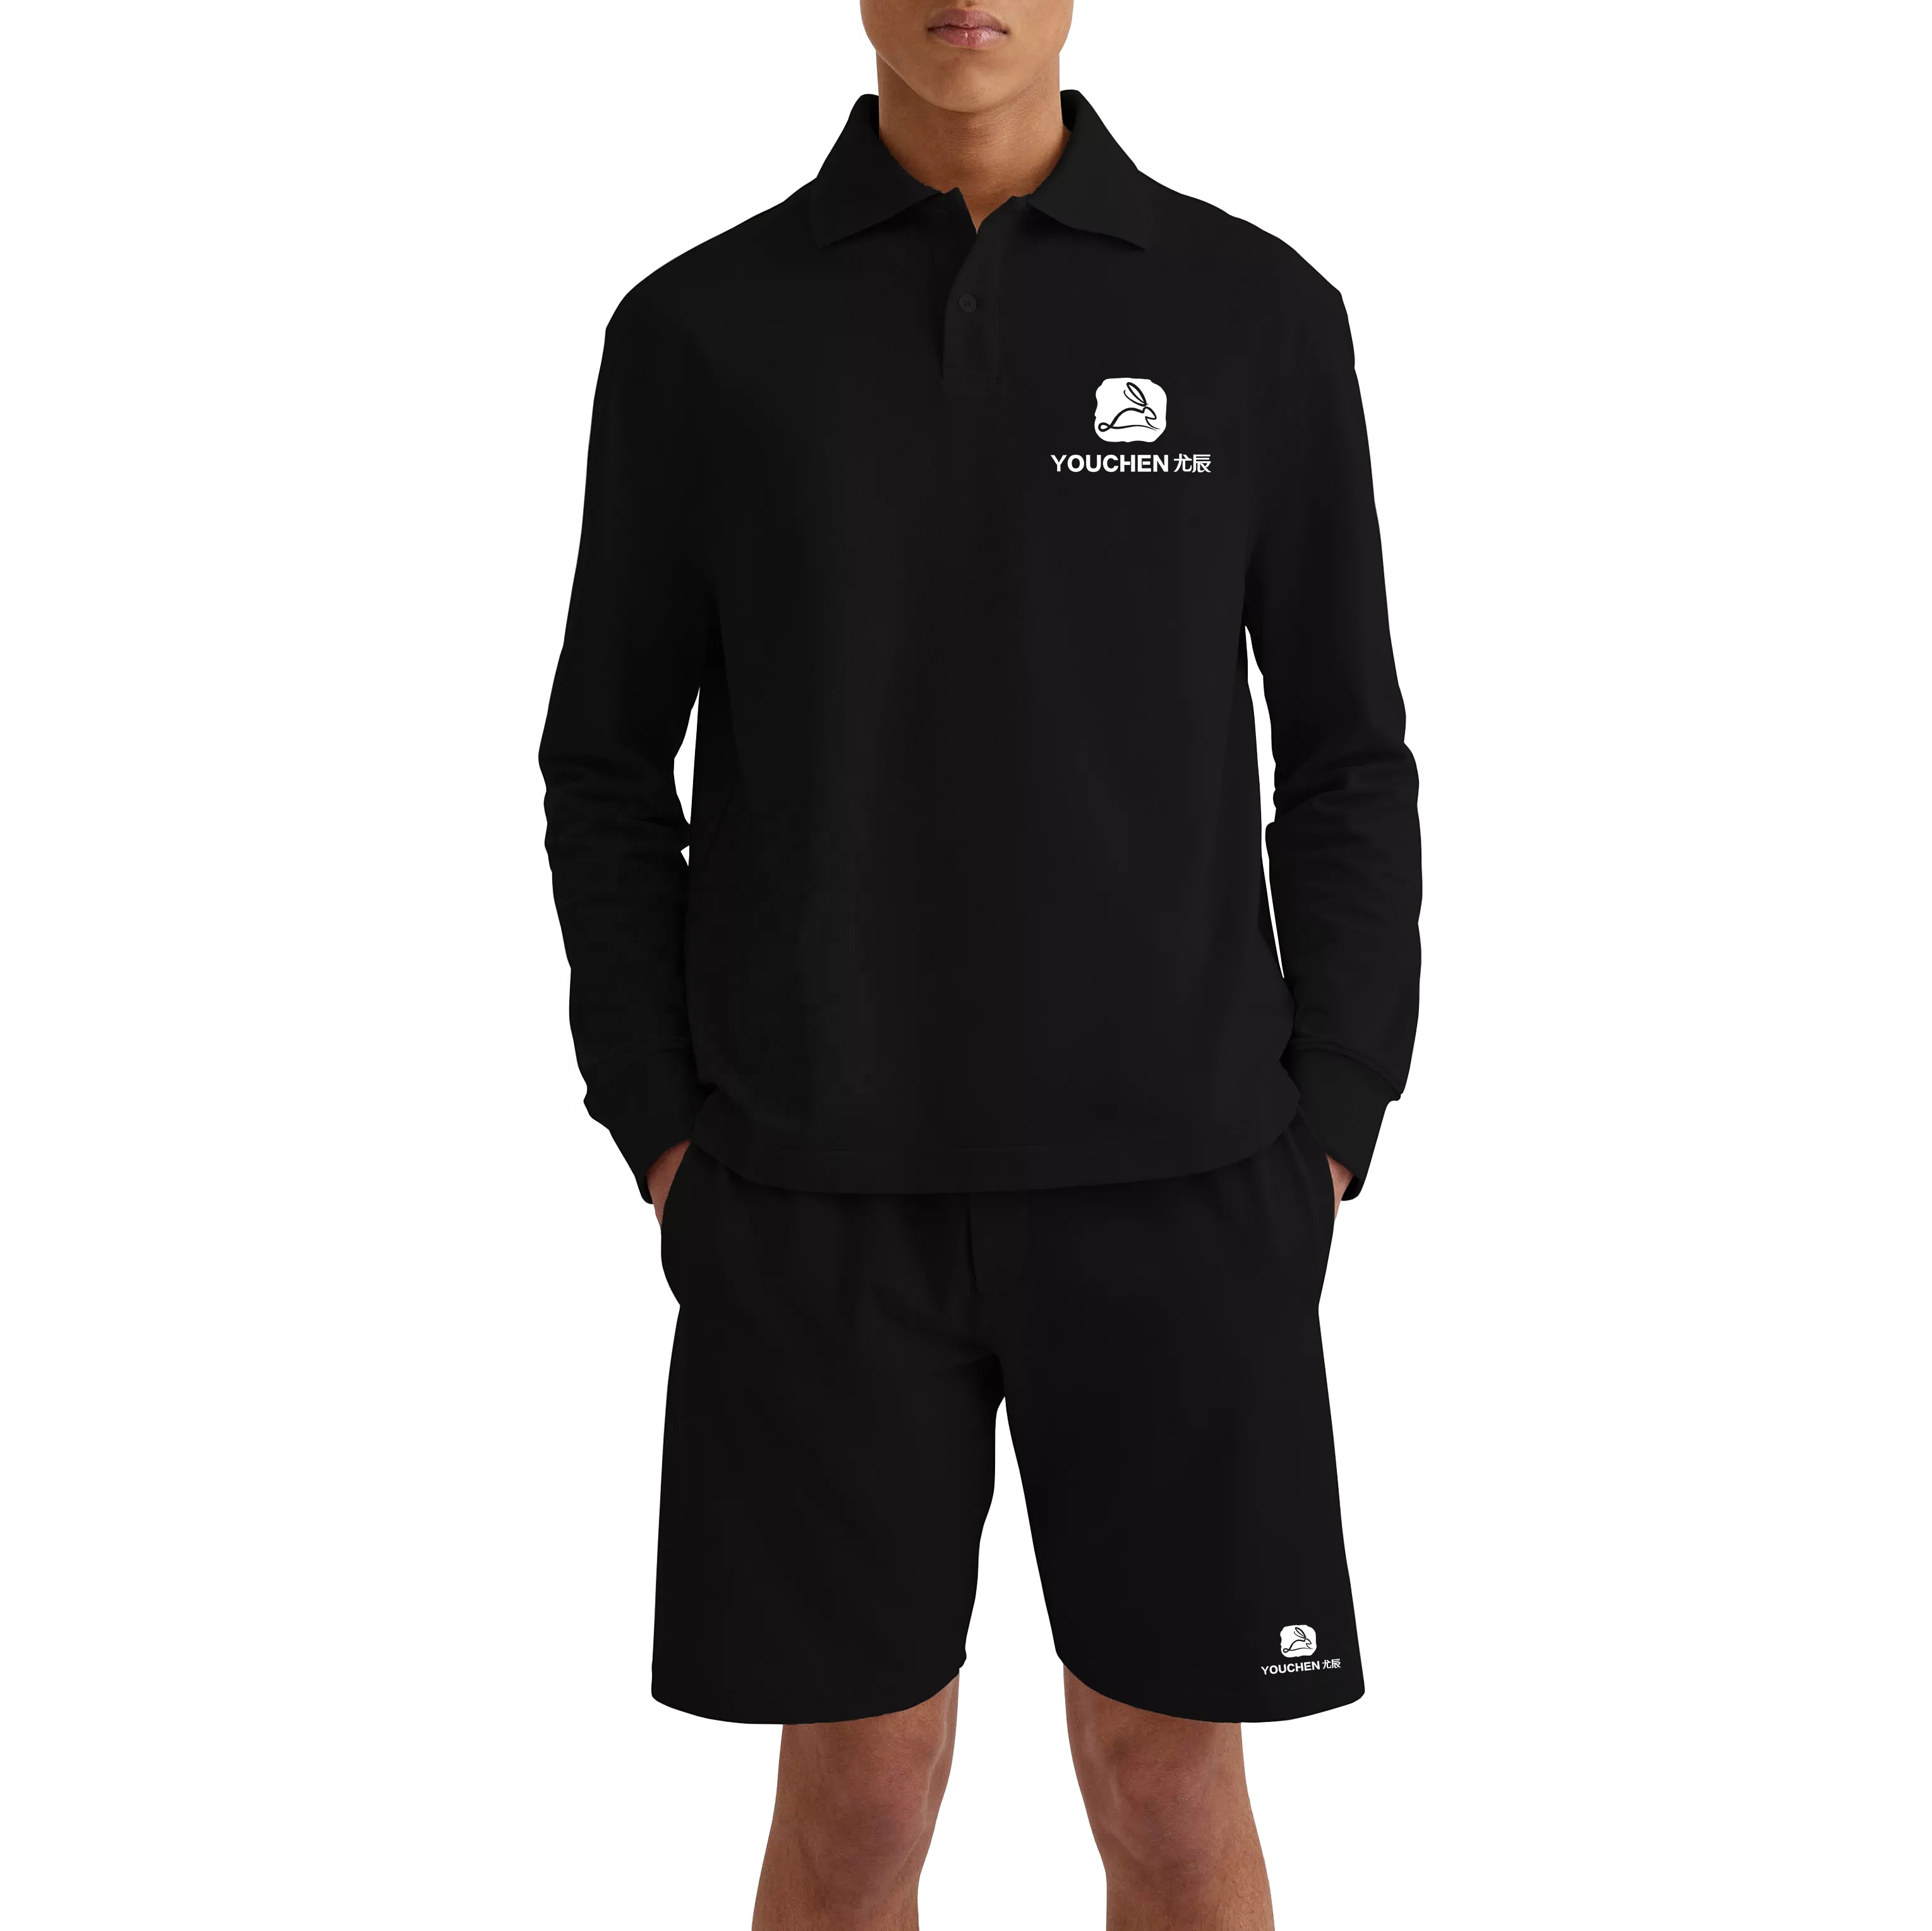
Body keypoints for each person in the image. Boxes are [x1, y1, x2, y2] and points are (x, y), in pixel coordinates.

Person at [539, 2, 1422, 1923]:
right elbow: (604, 762)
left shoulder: (1252, 313)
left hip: (1185, 1183)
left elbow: (1348, 748)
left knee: (1168, 1781)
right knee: (858, 1793)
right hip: (812, 1195)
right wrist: (662, 1125)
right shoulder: (700, 330)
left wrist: (1336, 1111)